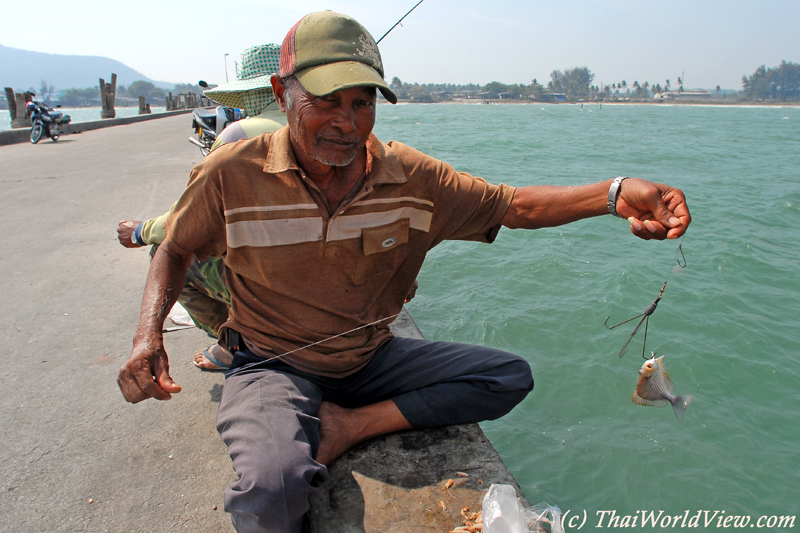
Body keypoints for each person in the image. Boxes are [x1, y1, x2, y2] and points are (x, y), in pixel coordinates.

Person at [117, 11, 691, 533]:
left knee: (507, 376)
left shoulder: (412, 176)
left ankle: (350, 425)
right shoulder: (229, 173)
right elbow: (174, 249)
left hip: (370, 360)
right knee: (271, 488)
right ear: (281, 94)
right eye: (327, 100)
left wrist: (615, 195)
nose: (347, 121)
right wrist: (148, 338)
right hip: (271, 363)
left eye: (362, 102)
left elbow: (514, 206)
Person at [117, 44, 288, 370]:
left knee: (166, 254)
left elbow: (187, 219)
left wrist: (139, 232)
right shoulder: (329, 131)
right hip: (327, 279)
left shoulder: (239, 134)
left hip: (271, 286)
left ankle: (234, 345)